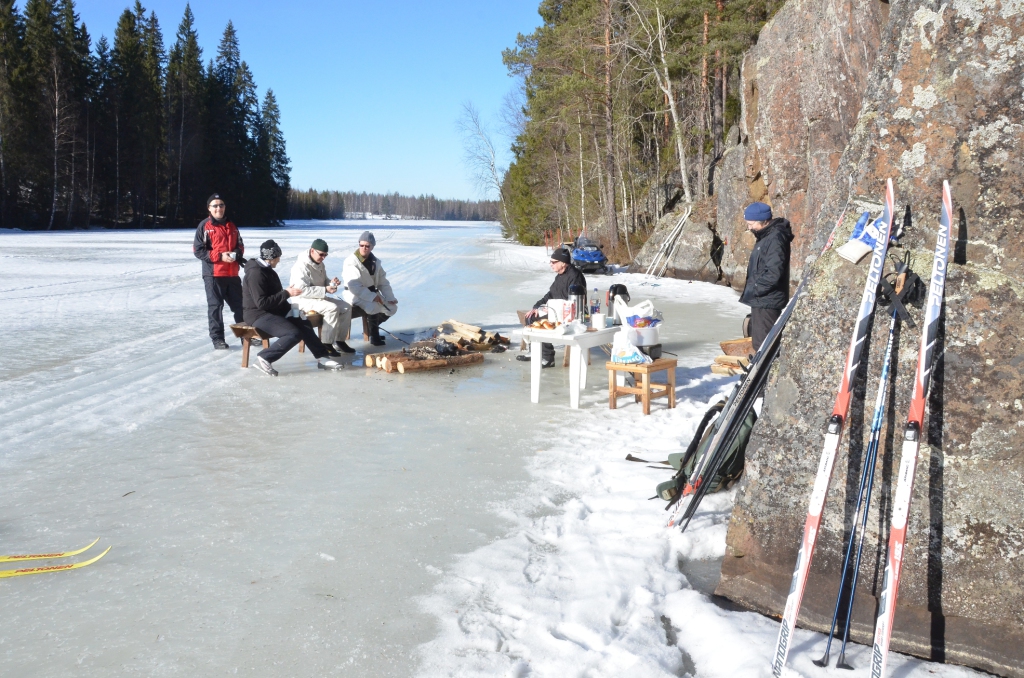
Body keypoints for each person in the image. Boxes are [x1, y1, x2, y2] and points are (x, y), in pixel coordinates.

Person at [242, 239, 344, 376]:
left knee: (303, 322)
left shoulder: (268, 270)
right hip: (258, 315)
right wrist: (286, 293)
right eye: (278, 256)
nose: (279, 260)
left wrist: (290, 309)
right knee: (293, 333)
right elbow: (262, 303)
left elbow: (275, 297)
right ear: (272, 256)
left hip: (273, 311)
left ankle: (322, 357)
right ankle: (265, 357)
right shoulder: (256, 274)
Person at [517, 247, 587, 367]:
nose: (551, 264)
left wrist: (550, 307)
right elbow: (550, 295)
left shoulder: (575, 276)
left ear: (563, 263)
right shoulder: (559, 276)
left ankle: (548, 358)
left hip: (570, 314)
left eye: (553, 262)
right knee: (530, 317)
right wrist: (537, 306)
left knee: (539, 321)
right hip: (556, 310)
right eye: (550, 262)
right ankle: (534, 351)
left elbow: (571, 301)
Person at [738, 202, 794, 351]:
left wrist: (755, 290)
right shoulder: (765, 235)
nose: (749, 228)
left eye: (751, 223)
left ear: (763, 220)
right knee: (759, 342)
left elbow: (774, 273)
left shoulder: (775, 238)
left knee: (764, 346)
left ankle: (767, 373)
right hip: (761, 299)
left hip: (767, 301)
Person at [193, 193, 244, 350]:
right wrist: (220, 256)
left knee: (241, 307)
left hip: (232, 274)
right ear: (209, 208)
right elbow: (198, 250)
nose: (218, 208)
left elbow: (240, 246)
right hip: (213, 275)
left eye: (221, 205)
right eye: (215, 205)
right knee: (215, 308)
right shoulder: (205, 227)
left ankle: (246, 335)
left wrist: (235, 254)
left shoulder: (232, 226)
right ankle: (218, 339)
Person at [288, 238, 355, 354]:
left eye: (326, 255)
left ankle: (340, 340)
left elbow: (323, 281)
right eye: (322, 254)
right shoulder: (300, 266)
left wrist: (331, 283)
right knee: (332, 308)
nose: (323, 257)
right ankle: (326, 344)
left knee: (346, 307)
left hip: (317, 298)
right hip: (302, 300)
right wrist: (325, 289)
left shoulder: (320, 264)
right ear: (312, 250)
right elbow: (301, 290)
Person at [341, 231, 397, 347]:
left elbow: (383, 282)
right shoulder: (351, 261)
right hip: (353, 293)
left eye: (367, 246)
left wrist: (390, 297)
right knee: (373, 306)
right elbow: (354, 286)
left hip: (370, 292)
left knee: (392, 308)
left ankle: (371, 329)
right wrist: (372, 297)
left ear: (372, 247)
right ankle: (374, 336)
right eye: (361, 245)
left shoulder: (375, 262)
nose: (364, 248)